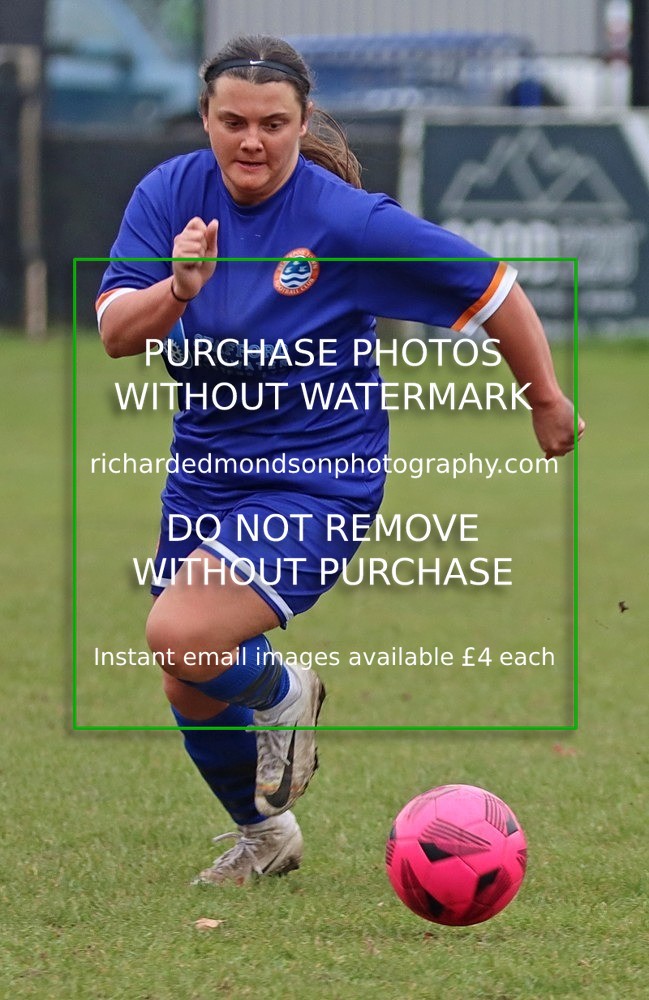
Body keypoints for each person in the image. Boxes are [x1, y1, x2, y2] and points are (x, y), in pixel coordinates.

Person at [96, 34, 585, 886]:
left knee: (180, 633)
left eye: (273, 124)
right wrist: (176, 288)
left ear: (301, 122)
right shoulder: (168, 194)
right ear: (206, 119)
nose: (252, 141)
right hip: (206, 470)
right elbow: (113, 334)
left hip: (319, 475)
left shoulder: (346, 222)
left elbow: (494, 289)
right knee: (186, 678)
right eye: (233, 122)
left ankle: (286, 689)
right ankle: (265, 834)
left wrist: (542, 396)